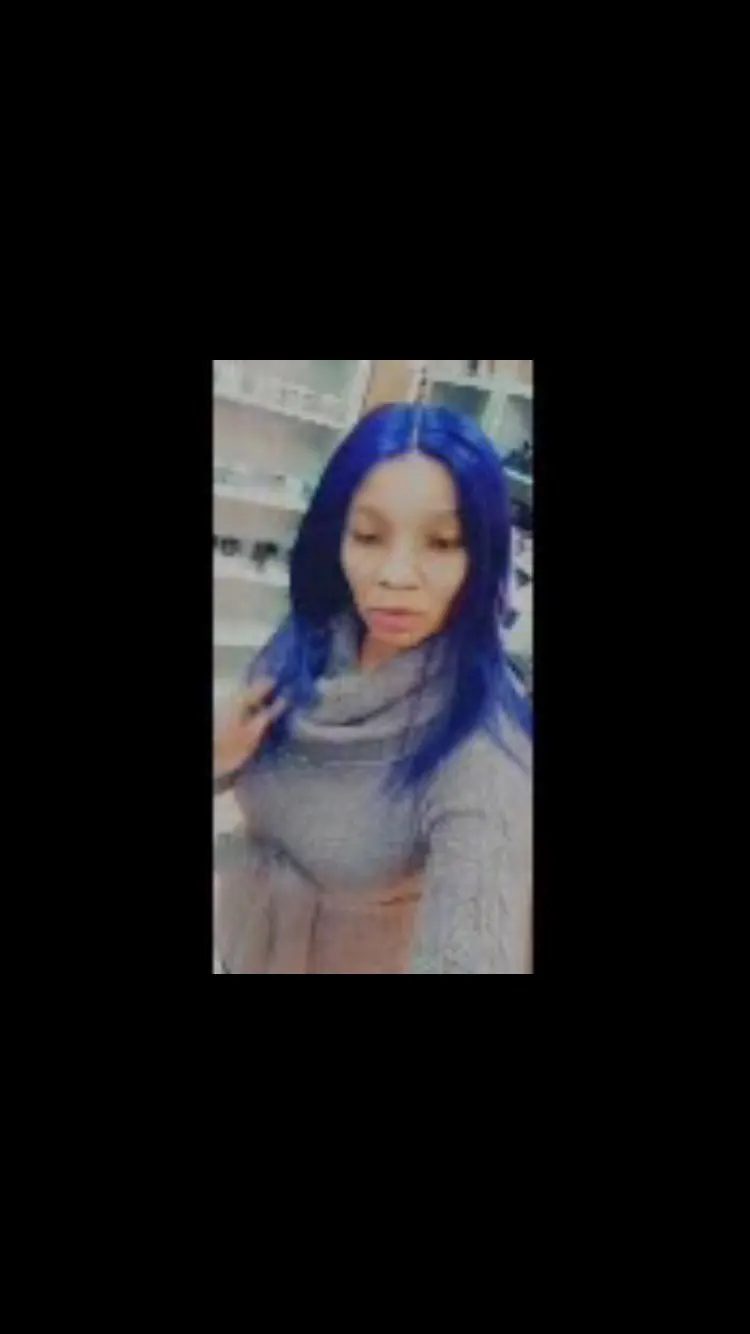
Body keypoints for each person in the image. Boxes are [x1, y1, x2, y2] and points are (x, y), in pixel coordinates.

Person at [214, 403, 532, 974]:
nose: (395, 575)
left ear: (482, 559)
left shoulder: (481, 756)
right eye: (368, 536)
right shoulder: (306, 644)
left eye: (441, 543)